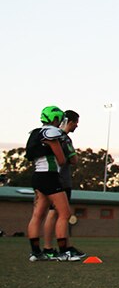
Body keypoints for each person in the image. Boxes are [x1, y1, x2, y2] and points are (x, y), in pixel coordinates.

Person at [25, 106, 83, 262]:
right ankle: (64, 251)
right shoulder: (52, 133)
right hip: (50, 176)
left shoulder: (36, 133)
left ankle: (36, 253)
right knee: (64, 214)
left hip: (37, 176)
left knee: (37, 215)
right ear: (56, 119)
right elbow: (62, 160)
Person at [41, 110, 83, 260]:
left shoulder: (49, 134)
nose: (77, 126)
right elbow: (73, 160)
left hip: (49, 177)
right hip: (61, 180)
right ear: (70, 122)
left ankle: (60, 247)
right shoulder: (63, 138)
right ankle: (56, 248)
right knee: (58, 214)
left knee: (54, 214)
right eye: (76, 123)